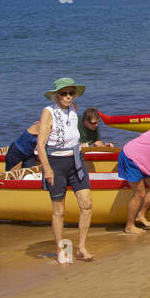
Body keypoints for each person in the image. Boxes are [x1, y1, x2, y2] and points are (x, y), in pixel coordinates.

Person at [37, 78, 95, 264]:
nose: (68, 97)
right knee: (59, 210)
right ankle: (61, 249)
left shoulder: (74, 109)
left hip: (76, 161)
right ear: (56, 95)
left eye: (71, 93)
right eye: (64, 93)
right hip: (56, 162)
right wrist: (47, 169)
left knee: (86, 204)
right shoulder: (48, 112)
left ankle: (81, 247)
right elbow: (40, 144)